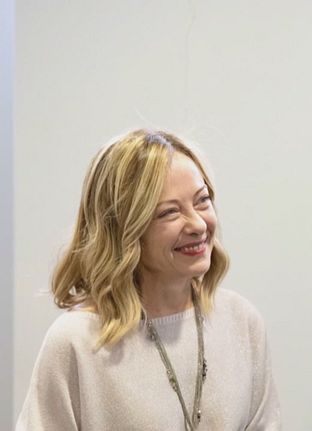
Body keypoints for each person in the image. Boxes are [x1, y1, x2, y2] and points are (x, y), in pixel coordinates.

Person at [17, 130, 281, 430]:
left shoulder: (241, 322)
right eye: (169, 212)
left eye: (202, 200)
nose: (198, 224)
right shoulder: (76, 341)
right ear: (125, 230)